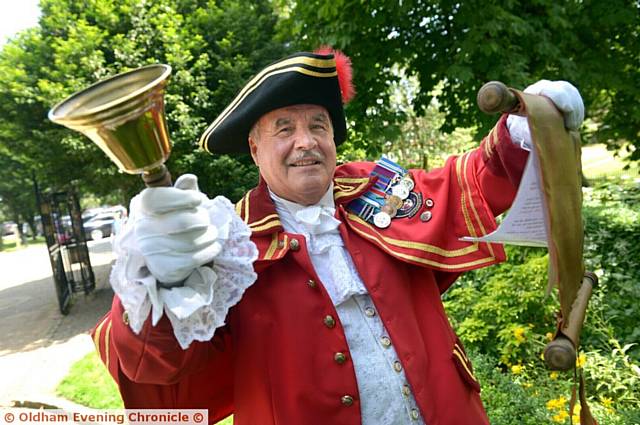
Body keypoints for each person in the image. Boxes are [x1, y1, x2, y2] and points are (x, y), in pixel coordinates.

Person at [92, 49, 584, 425]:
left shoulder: (378, 189)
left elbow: (470, 183)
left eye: (318, 125)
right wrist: (164, 285)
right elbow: (158, 374)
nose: (305, 141)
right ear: (254, 148)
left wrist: (526, 127)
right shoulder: (226, 245)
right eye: (284, 128)